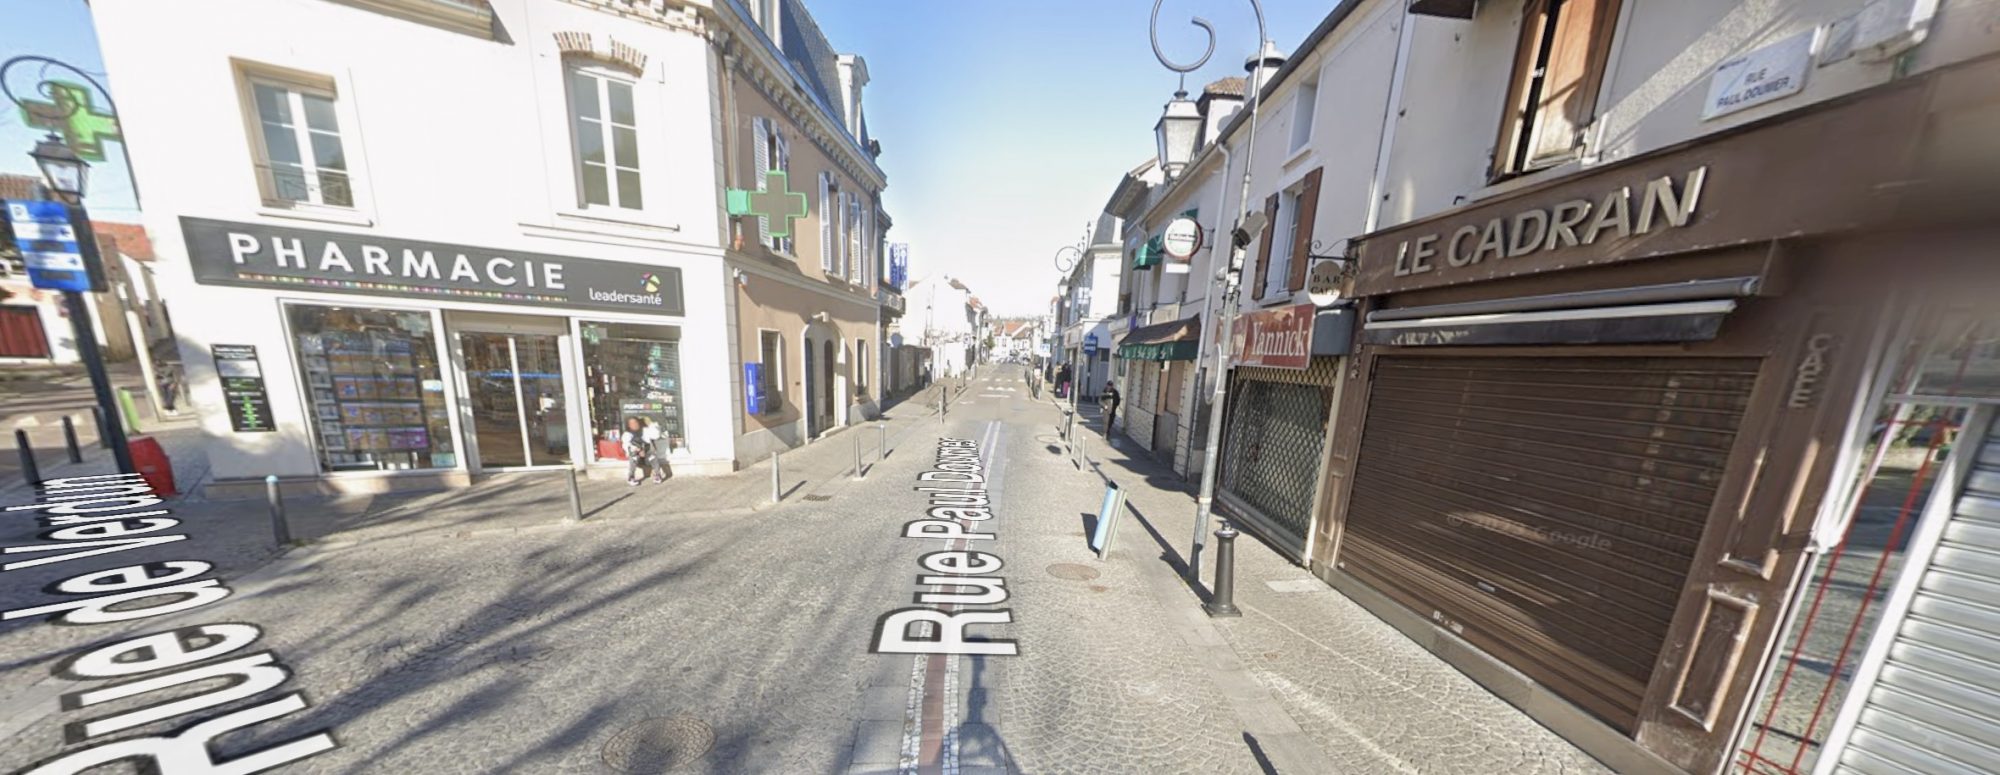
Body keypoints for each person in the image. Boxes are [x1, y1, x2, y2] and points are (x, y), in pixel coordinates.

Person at [621, 417, 667, 485]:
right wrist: (638, 450)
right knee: (633, 457)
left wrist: (651, 425)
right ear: (629, 425)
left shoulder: (645, 430)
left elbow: (656, 436)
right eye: (632, 423)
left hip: (647, 452)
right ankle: (631, 477)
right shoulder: (627, 434)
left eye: (636, 422)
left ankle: (657, 475)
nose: (634, 425)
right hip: (636, 454)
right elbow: (626, 445)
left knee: (652, 456)